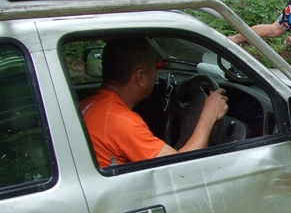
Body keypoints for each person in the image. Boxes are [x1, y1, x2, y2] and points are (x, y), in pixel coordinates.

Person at [80, 38, 228, 168]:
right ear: (140, 77)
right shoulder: (121, 122)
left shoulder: (87, 104)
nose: (156, 76)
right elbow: (178, 168)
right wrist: (209, 115)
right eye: (154, 69)